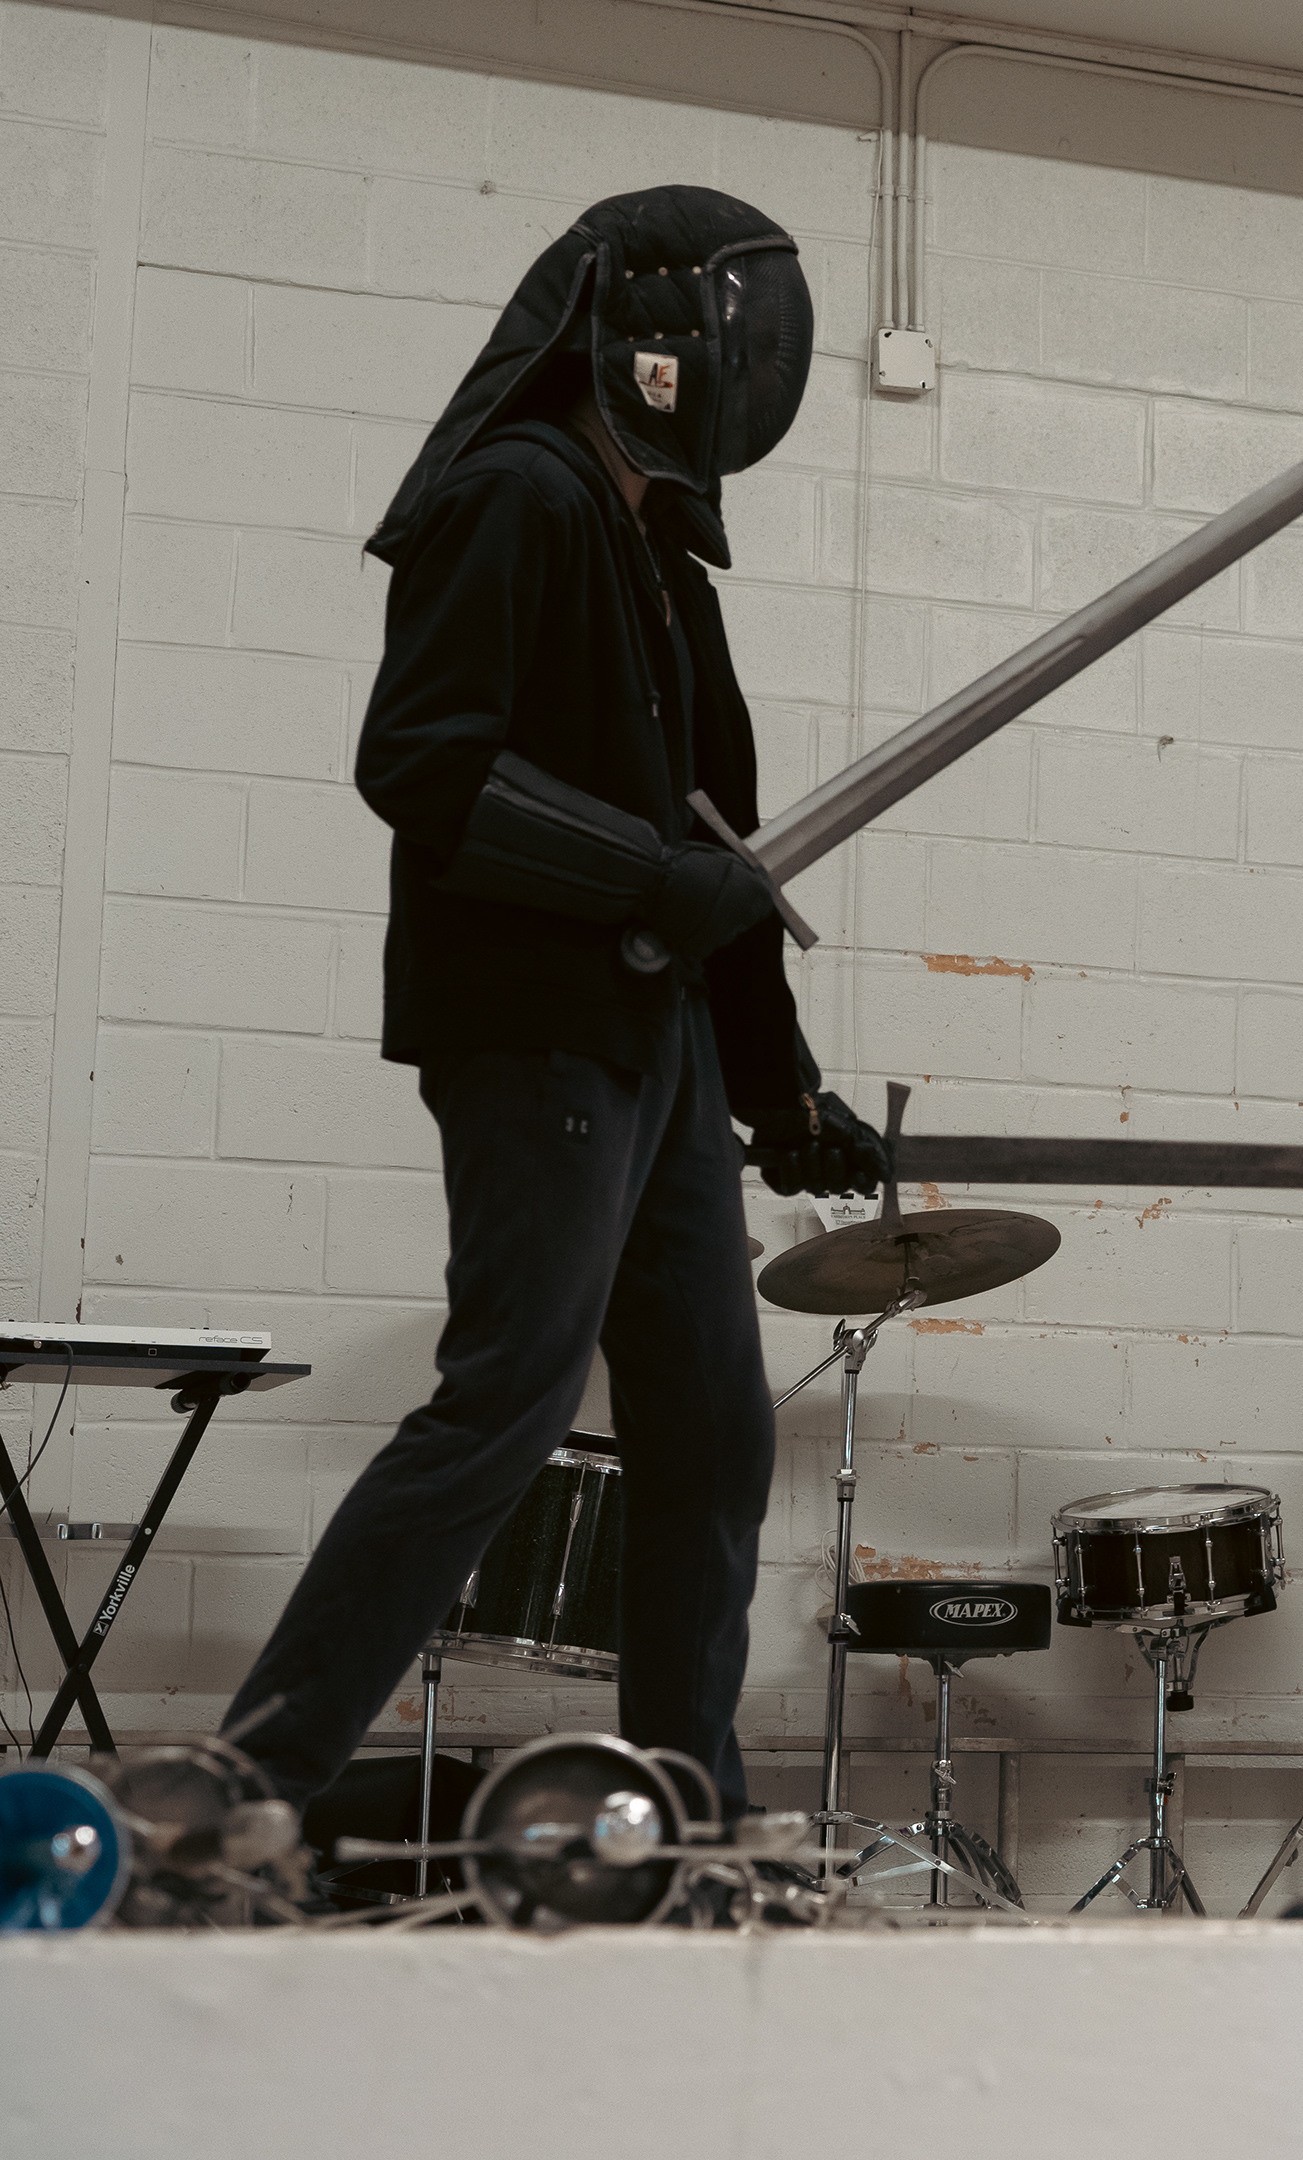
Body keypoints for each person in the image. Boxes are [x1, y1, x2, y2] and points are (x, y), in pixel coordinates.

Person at [218, 186, 884, 1819]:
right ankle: (245, 1794)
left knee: (713, 1436)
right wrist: (650, 882)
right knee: (507, 1403)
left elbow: (725, 852)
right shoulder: (516, 495)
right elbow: (424, 764)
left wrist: (781, 1089)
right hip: (539, 1031)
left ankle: (679, 1820)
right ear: (643, 343)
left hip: (658, 1048)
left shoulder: (659, 560)